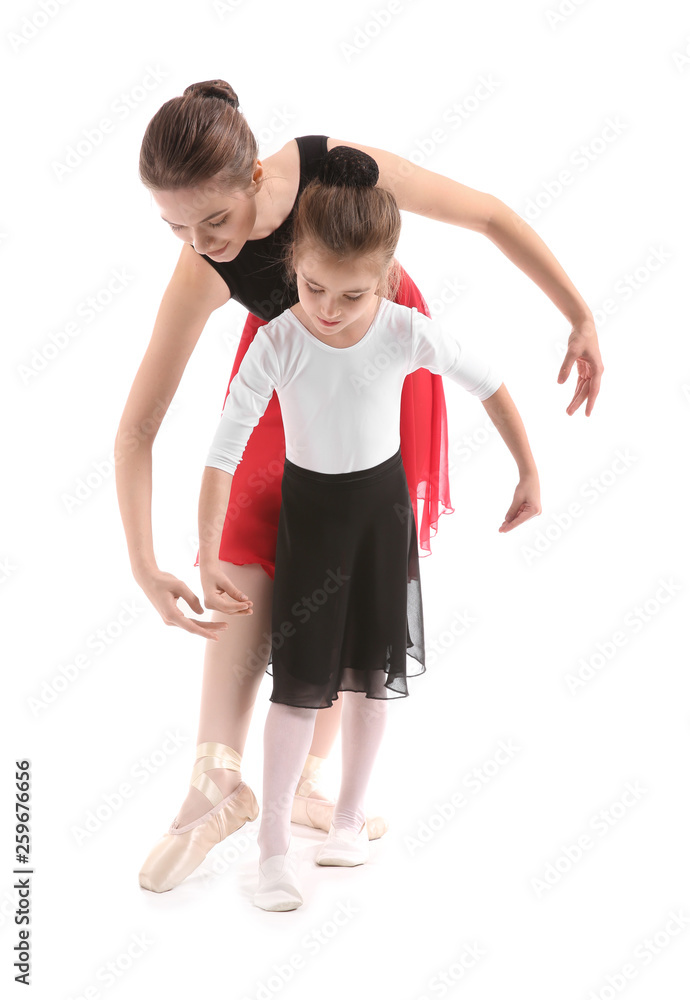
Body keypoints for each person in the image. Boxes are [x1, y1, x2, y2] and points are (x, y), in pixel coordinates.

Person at [116, 80, 599, 894]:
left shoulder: (339, 171)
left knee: (343, 560)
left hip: (383, 364)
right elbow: (138, 427)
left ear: (258, 180)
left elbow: (484, 213)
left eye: (213, 222)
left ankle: (308, 777)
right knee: (245, 541)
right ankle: (216, 775)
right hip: (286, 367)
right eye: (175, 228)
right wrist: (142, 562)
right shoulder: (203, 266)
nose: (198, 244)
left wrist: (578, 312)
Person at [196, 144, 540, 910]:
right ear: (296, 266)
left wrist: (529, 470)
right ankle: (274, 843)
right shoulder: (281, 341)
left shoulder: (402, 330)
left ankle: (349, 820)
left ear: (384, 278)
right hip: (311, 521)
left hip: (381, 519)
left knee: (375, 680)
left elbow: (489, 382)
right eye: (314, 287)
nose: (328, 308)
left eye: (350, 296)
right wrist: (203, 548)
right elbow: (221, 452)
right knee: (298, 687)